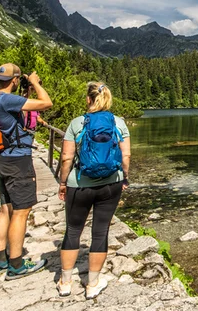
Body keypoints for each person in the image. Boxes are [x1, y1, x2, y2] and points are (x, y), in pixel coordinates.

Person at [57, 82, 131, 298]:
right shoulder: (118, 123)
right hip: (111, 183)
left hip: (79, 184)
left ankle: (65, 282)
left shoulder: (77, 123)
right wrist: (124, 177)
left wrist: (63, 183)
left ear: (88, 99)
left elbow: (66, 158)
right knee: (100, 232)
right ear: (108, 100)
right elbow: (125, 156)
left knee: (72, 230)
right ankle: (92, 284)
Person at [0, 63, 53, 280]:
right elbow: (46, 103)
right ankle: (16, 264)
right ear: (15, 80)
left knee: (5, 209)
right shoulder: (7, 99)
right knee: (21, 211)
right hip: (17, 161)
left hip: (1, 158)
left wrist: (27, 91)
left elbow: (24, 116)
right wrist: (35, 83)